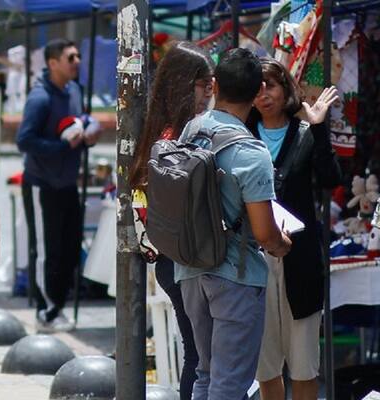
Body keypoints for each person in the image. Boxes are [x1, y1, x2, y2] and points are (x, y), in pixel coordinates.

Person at [174, 48, 292, 399]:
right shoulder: (252, 152)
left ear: (214, 85)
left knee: (205, 375)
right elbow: (264, 233)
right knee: (228, 384)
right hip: (235, 277)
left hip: (190, 268)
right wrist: (282, 244)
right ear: (258, 92)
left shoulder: (192, 130)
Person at [128, 41, 215, 400]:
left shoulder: (159, 131)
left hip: (172, 257)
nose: (209, 93)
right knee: (202, 357)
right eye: (203, 85)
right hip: (183, 257)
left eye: (211, 85)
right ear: (183, 85)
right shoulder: (176, 138)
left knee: (198, 355)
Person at [249, 59, 340, 400]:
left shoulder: (304, 134)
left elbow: (331, 179)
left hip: (300, 259)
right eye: (256, 89)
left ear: (285, 88)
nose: (263, 95)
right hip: (255, 258)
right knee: (265, 366)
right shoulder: (241, 135)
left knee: (303, 366)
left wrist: (318, 128)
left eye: (270, 86)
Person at [16, 38, 100, 332]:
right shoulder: (39, 98)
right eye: (70, 58)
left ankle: (58, 307)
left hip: (67, 183)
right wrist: (62, 146)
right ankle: (46, 311)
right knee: (46, 250)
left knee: (69, 247)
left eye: (78, 56)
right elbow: (24, 141)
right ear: (52, 63)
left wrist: (89, 132)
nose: (77, 62)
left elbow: (80, 120)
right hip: (42, 184)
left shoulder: (74, 90)